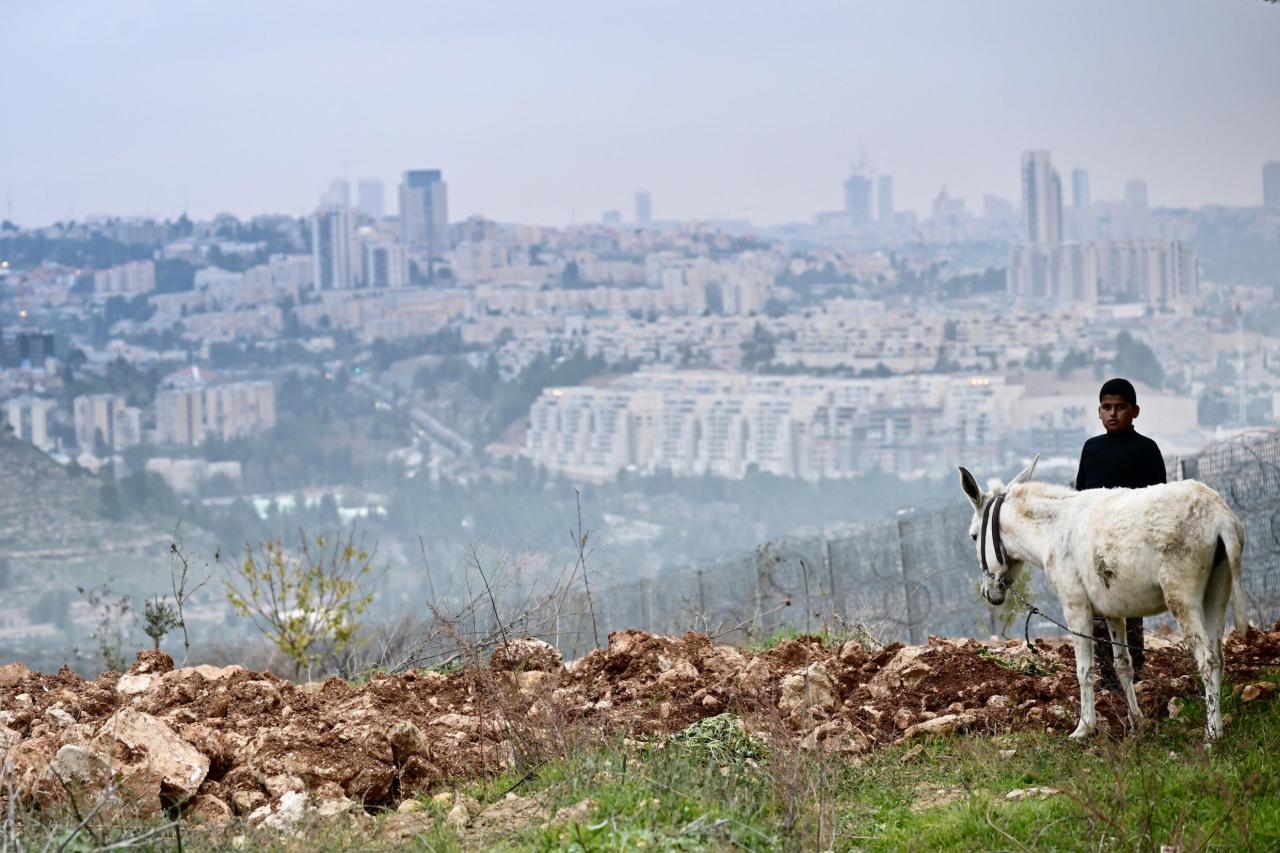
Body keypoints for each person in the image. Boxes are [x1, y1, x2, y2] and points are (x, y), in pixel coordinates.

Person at [1074, 377, 1166, 692]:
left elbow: (1158, 499)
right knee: (1099, 609)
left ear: (1135, 411)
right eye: (1107, 407)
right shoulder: (1092, 449)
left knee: (1130, 608)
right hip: (1097, 545)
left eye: (1120, 407)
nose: (1113, 413)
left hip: (1133, 543)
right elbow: (1081, 497)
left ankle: (1134, 673)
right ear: (1098, 411)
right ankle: (1108, 676)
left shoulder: (1147, 450)